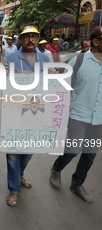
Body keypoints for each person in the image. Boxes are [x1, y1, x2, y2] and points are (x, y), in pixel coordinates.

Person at [49, 26, 102, 203]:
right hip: (78, 114)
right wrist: (67, 100)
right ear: (96, 42)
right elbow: (62, 85)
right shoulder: (78, 61)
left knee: (90, 154)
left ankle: (77, 184)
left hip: (99, 118)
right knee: (72, 150)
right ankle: (57, 168)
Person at [4, 24, 53, 207]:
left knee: (29, 151)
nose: (30, 39)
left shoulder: (45, 58)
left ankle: (19, 175)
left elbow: (53, 83)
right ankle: (14, 189)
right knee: (13, 155)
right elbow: (3, 82)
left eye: (34, 36)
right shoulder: (10, 58)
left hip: (37, 112)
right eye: (26, 37)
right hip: (14, 112)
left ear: (38, 38)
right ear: (20, 39)